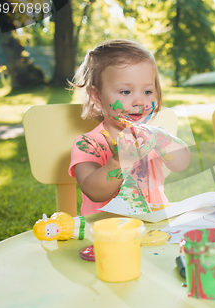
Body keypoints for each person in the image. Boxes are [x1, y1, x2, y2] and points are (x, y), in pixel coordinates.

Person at [68, 39, 190, 215]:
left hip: (155, 227)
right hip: (108, 233)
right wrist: (118, 161)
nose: (140, 101)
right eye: (126, 92)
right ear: (97, 97)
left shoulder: (152, 136)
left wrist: (160, 138)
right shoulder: (88, 143)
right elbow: (94, 191)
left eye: (147, 91)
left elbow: (182, 163)